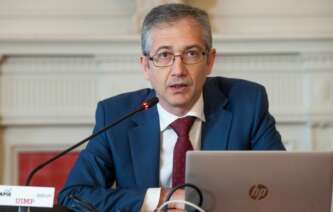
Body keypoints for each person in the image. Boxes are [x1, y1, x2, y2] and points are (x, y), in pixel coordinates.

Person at [58, 3, 285, 211]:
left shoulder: (247, 103)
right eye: (164, 55)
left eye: (191, 53)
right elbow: (74, 195)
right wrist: (164, 198)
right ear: (146, 66)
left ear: (210, 61)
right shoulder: (116, 115)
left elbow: (280, 187)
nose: (178, 70)